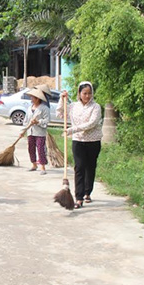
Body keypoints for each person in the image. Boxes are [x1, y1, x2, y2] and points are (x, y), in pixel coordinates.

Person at [57, 81, 103, 209]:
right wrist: (62, 99)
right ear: (79, 93)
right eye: (84, 93)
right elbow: (60, 114)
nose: (87, 96)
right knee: (79, 167)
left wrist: (72, 130)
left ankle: (87, 192)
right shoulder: (73, 106)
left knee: (90, 167)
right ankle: (78, 198)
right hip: (78, 141)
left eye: (89, 93)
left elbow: (92, 124)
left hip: (93, 141)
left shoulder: (96, 107)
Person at [24, 87, 50, 175]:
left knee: (40, 149)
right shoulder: (29, 108)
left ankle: (42, 166)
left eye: (33, 97)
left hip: (40, 132)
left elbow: (46, 120)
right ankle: (34, 164)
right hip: (30, 132)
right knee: (30, 148)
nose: (31, 99)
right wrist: (23, 130)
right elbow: (26, 120)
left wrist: (38, 122)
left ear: (37, 98)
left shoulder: (44, 108)